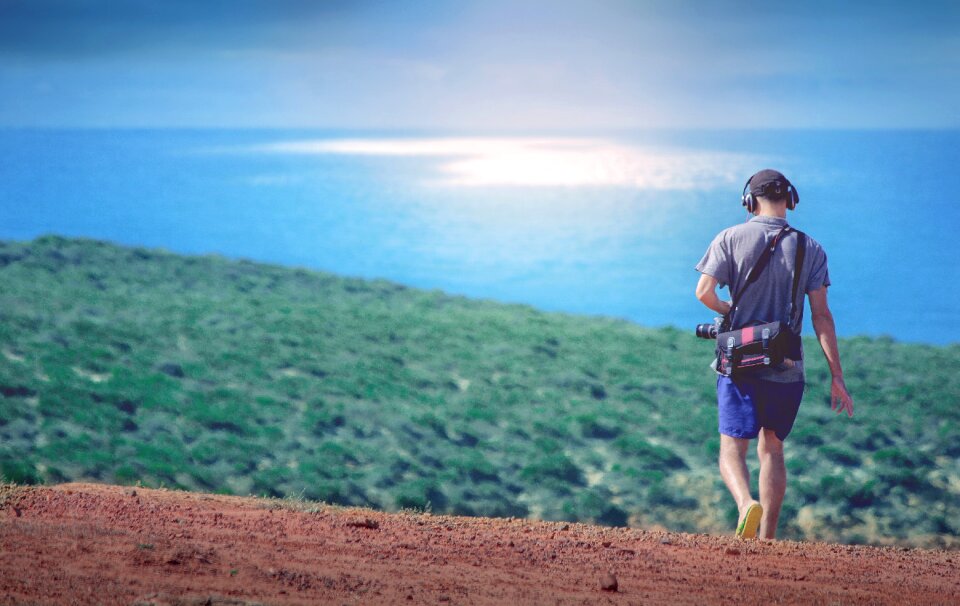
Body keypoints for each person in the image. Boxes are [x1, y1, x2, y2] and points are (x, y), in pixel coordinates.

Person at [694, 169, 854, 540]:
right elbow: (821, 316)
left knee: (732, 448)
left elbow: (703, 292)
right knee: (773, 450)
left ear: (749, 201)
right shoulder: (810, 248)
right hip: (787, 365)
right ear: (790, 201)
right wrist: (837, 376)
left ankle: (745, 503)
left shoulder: (730, 238)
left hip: (738, 362)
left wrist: (727, 310)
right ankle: (768, 537)